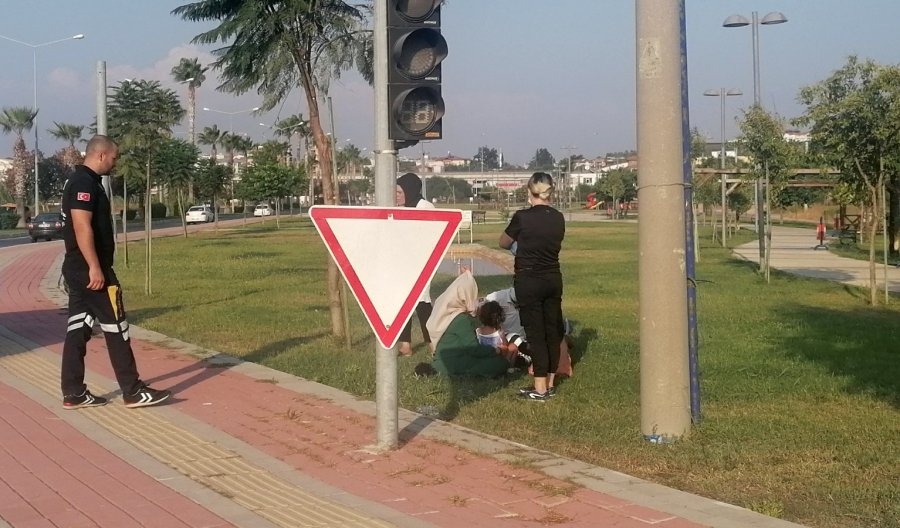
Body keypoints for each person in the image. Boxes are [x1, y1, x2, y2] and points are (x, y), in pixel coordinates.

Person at [60, 135, 171, 409]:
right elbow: (81, 226)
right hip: (92, 271)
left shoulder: (84, 181)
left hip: (78, 269)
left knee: (78, 328)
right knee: (116, 327)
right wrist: (95, 267)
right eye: (114, 157)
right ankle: (133, 390)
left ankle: (74, 393)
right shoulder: (83, 183)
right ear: (101, 155)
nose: (115, 162)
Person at [499, 172, 565, 401]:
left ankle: (539, 388)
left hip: (529, 280)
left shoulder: (522, 217)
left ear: (529, 192)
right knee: (552, 331)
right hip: (553, 278)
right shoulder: (558, 218)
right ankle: (550, 382)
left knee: (535, 334)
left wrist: (519, 246)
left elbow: (503, 242)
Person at [424, 271, 509, 378]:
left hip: (444, 361)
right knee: (501, 364)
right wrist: (497, 350)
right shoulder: (460, 319)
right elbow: (473, 349)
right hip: (454, 364)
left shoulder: (449, 314)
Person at [483, 287, 573, 377]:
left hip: (526, 338)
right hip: (517, 341)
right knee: (517, 343)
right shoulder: (495, 299)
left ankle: (563, 339)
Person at [395, 172, 435, 356]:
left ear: (409, 191)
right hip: (401, 264)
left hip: (421, 263)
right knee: (401, 303)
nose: (396, 196)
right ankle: (405, 345)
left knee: (422, 302)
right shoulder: (399, 208)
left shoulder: (425, 207)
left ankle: (432, 343)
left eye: (399, 192)